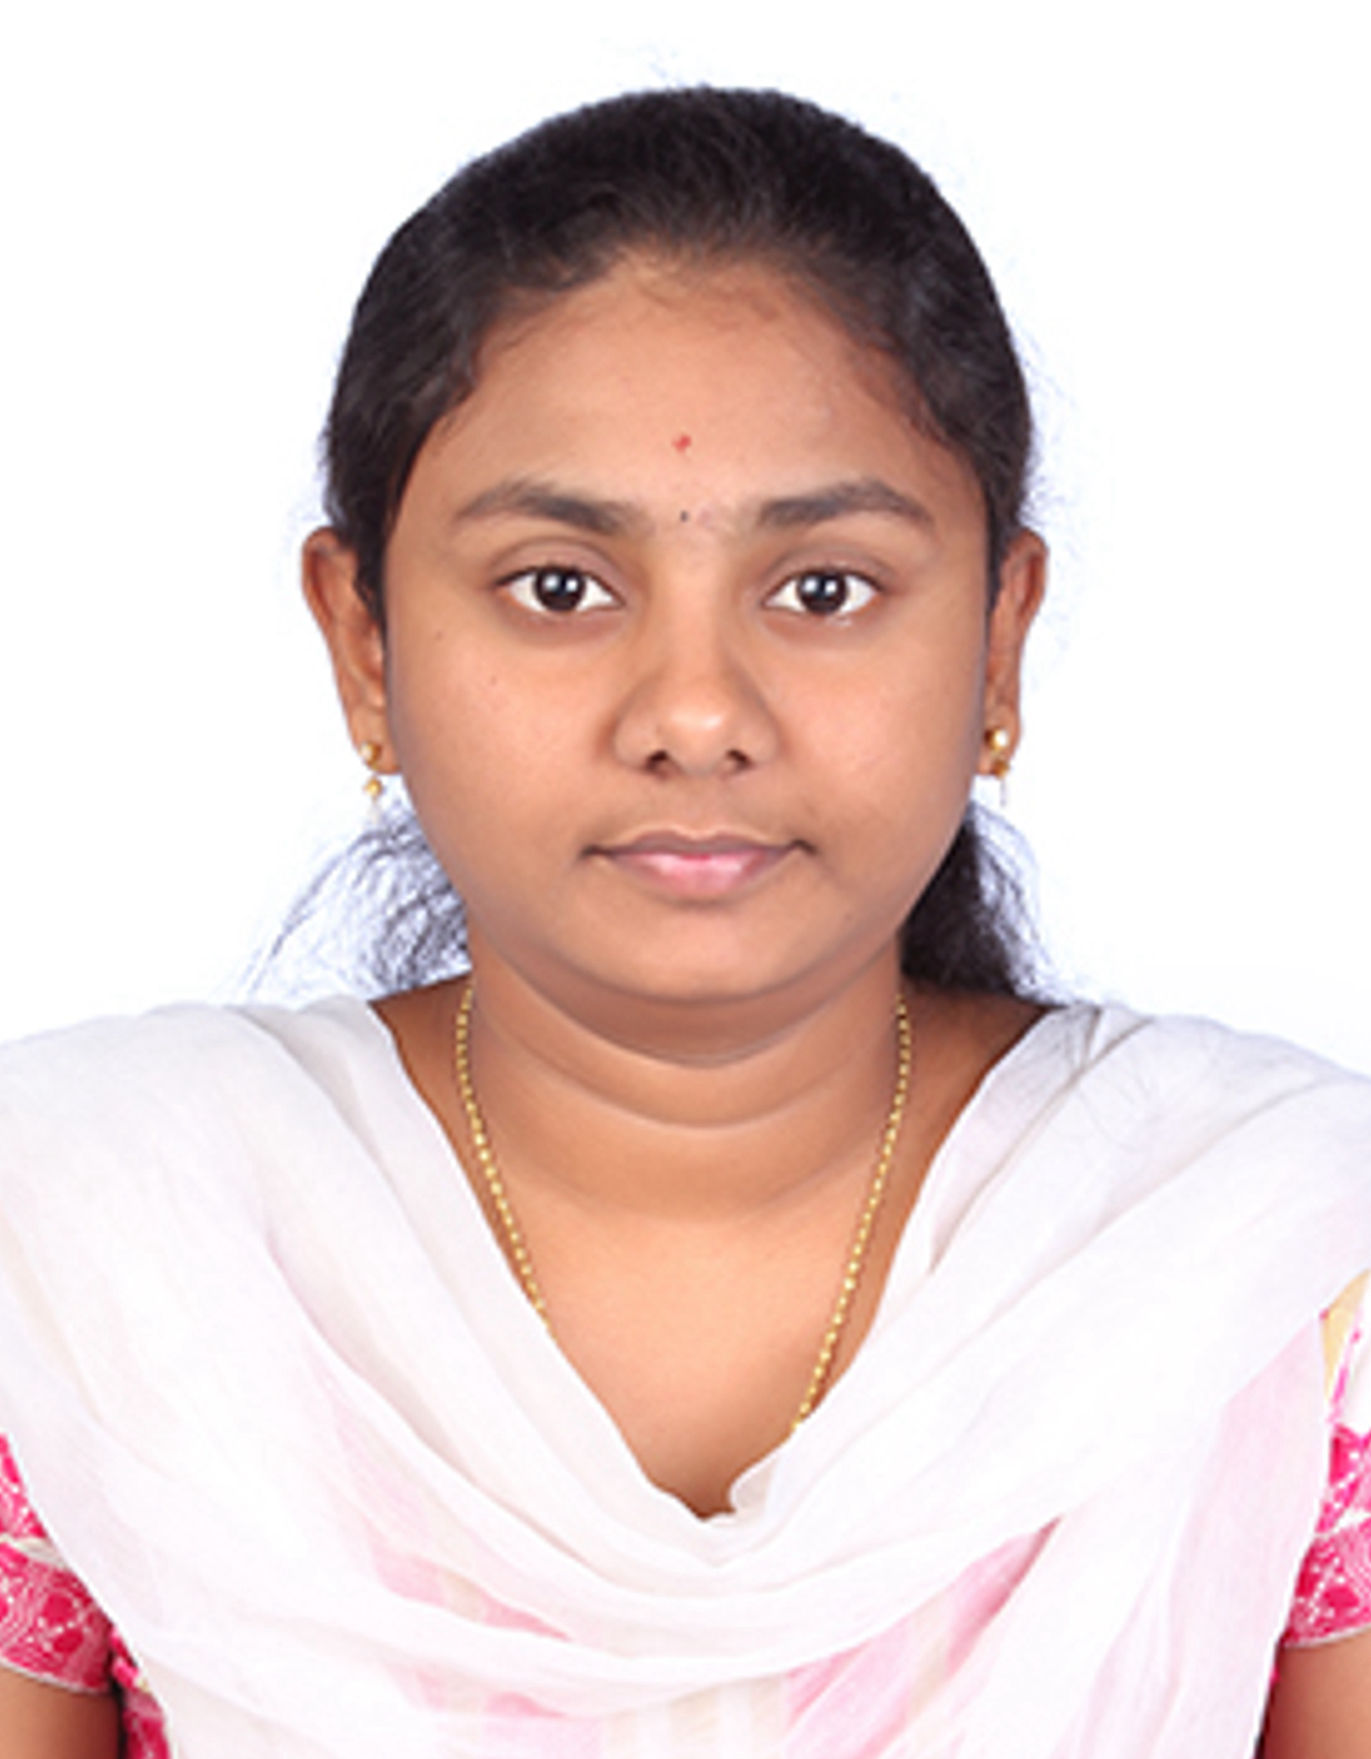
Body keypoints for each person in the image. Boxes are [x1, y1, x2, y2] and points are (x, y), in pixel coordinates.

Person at [0, 87, 1368, 1759]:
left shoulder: (1287, 1277)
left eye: (824, 589)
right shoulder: (81, 1265)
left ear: (1000, 639)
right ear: (365, 644)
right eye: (560, 587)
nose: (698, 713)